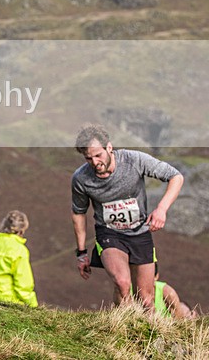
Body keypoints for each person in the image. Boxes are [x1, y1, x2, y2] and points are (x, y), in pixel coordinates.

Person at [71, 123, 184, 310]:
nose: (95, 162)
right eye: (88, 158)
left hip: (140, 232)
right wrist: (82, 253)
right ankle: (124, 326)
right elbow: (78, 213)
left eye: (98, 155)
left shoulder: (134, 160)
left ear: (109, 147)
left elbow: (176, 177)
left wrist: (161, 209)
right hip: (109, 233)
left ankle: (150, 334)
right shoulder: (81, 178)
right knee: (123, 283)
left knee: (146, 299)